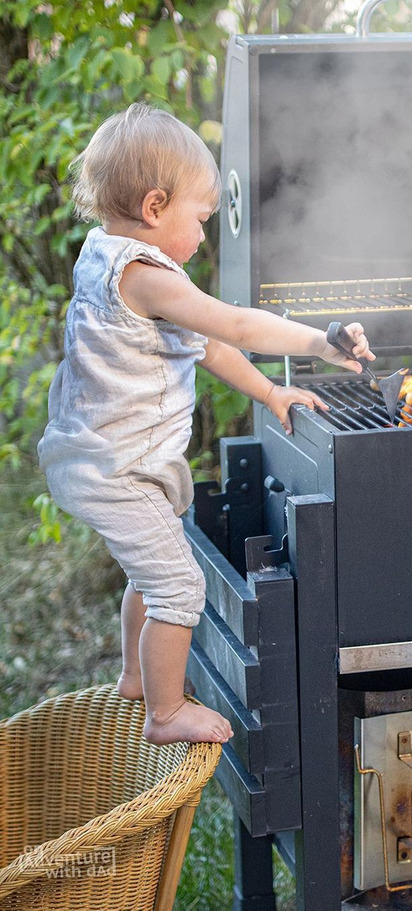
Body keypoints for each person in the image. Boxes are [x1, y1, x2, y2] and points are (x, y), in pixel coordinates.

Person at [37, 103, 374, 746]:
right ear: (156, 206)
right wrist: (320, 341)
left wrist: (271, 390)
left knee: (149, 573)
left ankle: (139, 682)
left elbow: (211, 349)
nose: (203, 234)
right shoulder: (145, 277)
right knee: (179, 587)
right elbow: (236, 328)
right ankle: (164, 714)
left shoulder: (105, 254)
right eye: (200, 218)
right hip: (114, 470)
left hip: (101, 458)